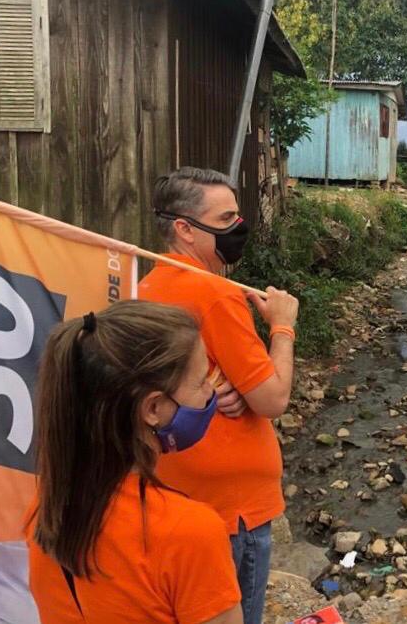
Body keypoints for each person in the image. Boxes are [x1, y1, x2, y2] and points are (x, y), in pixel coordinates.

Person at [139, 166, 299, 624]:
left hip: (174, 492)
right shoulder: (215, 294)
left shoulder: (148, 288)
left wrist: (216, 390)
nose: (238, 228)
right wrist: (283, 326)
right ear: (185, 229)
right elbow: (272, 399)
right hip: (233, 510)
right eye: (226, 219)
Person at [27, 301, 242, 624]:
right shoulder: (188, 533)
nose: (210, 392)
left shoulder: (49, 507)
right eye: (200, 381)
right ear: (153, 408)